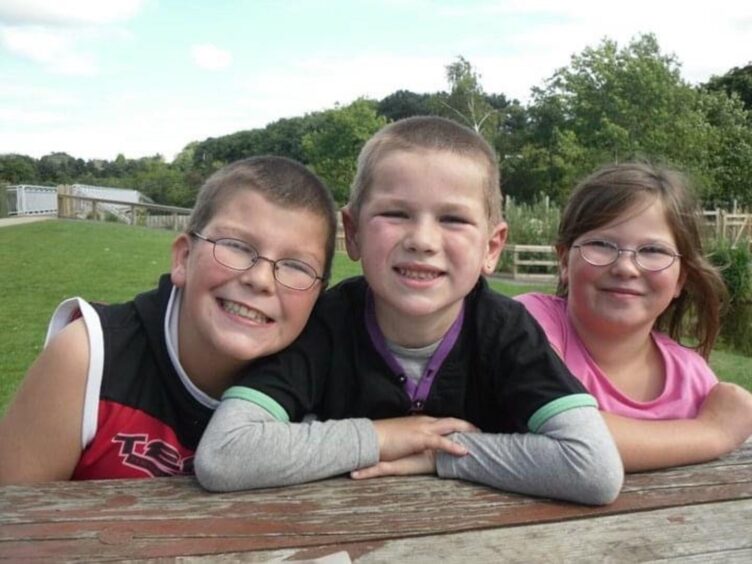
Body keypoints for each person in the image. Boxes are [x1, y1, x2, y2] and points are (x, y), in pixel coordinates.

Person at [194, 116, 623, 505]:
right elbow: (225, 454)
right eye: (396, 213)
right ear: (354, 232)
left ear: (492, 247)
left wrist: (443, 456)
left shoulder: (506, 331)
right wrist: (382, 437)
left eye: (453, 219)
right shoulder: (325, 323)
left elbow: (595, 469)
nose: (422, 239)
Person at [0, 156, 338, 483]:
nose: (261, 279)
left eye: (297, 266)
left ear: (318, 298)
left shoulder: (325, 380)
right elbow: (13, 525)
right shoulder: (89, 358)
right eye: (236, 246)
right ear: (183, 258)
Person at [516, 162, 752, 471]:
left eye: (653, 250)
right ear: (564, 261)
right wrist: (712, 432)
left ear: (681, 279)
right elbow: (564, 432)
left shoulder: (692, 379)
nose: (626, 267)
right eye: (601, 244)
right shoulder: (528, 323)